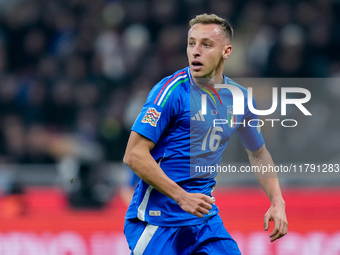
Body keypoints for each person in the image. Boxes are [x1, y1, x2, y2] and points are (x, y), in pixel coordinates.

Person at [123, 13, 288, 255]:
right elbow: (133, 155)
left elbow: (258, 153)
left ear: (227, 51)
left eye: (206, 44)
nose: (195, 51)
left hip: (204, 222)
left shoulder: (239, 98)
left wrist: (277, 201)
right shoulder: (170, 92)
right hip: (159, 223)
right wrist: (182, 197)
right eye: (191, 43)